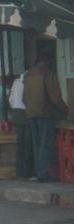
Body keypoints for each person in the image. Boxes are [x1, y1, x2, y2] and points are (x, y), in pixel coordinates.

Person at [23, 52, 68, 182]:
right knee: (46, 144)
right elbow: (56, 98)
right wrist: (66, 110)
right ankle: (43, 173)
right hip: (46, 113)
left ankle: (39, 171)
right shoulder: (48, 74)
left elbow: (24, 98)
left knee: (37, 144)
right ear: (48, 60)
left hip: (31, 113)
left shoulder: (28, 75)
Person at [9, 72, 34, 178]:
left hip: (16, 113)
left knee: (20, 144)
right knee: (28, 144)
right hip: (26, 113)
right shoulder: (28, 82)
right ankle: (27, 172)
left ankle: (19, 172)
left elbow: (10, 99)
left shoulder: (16, 82)